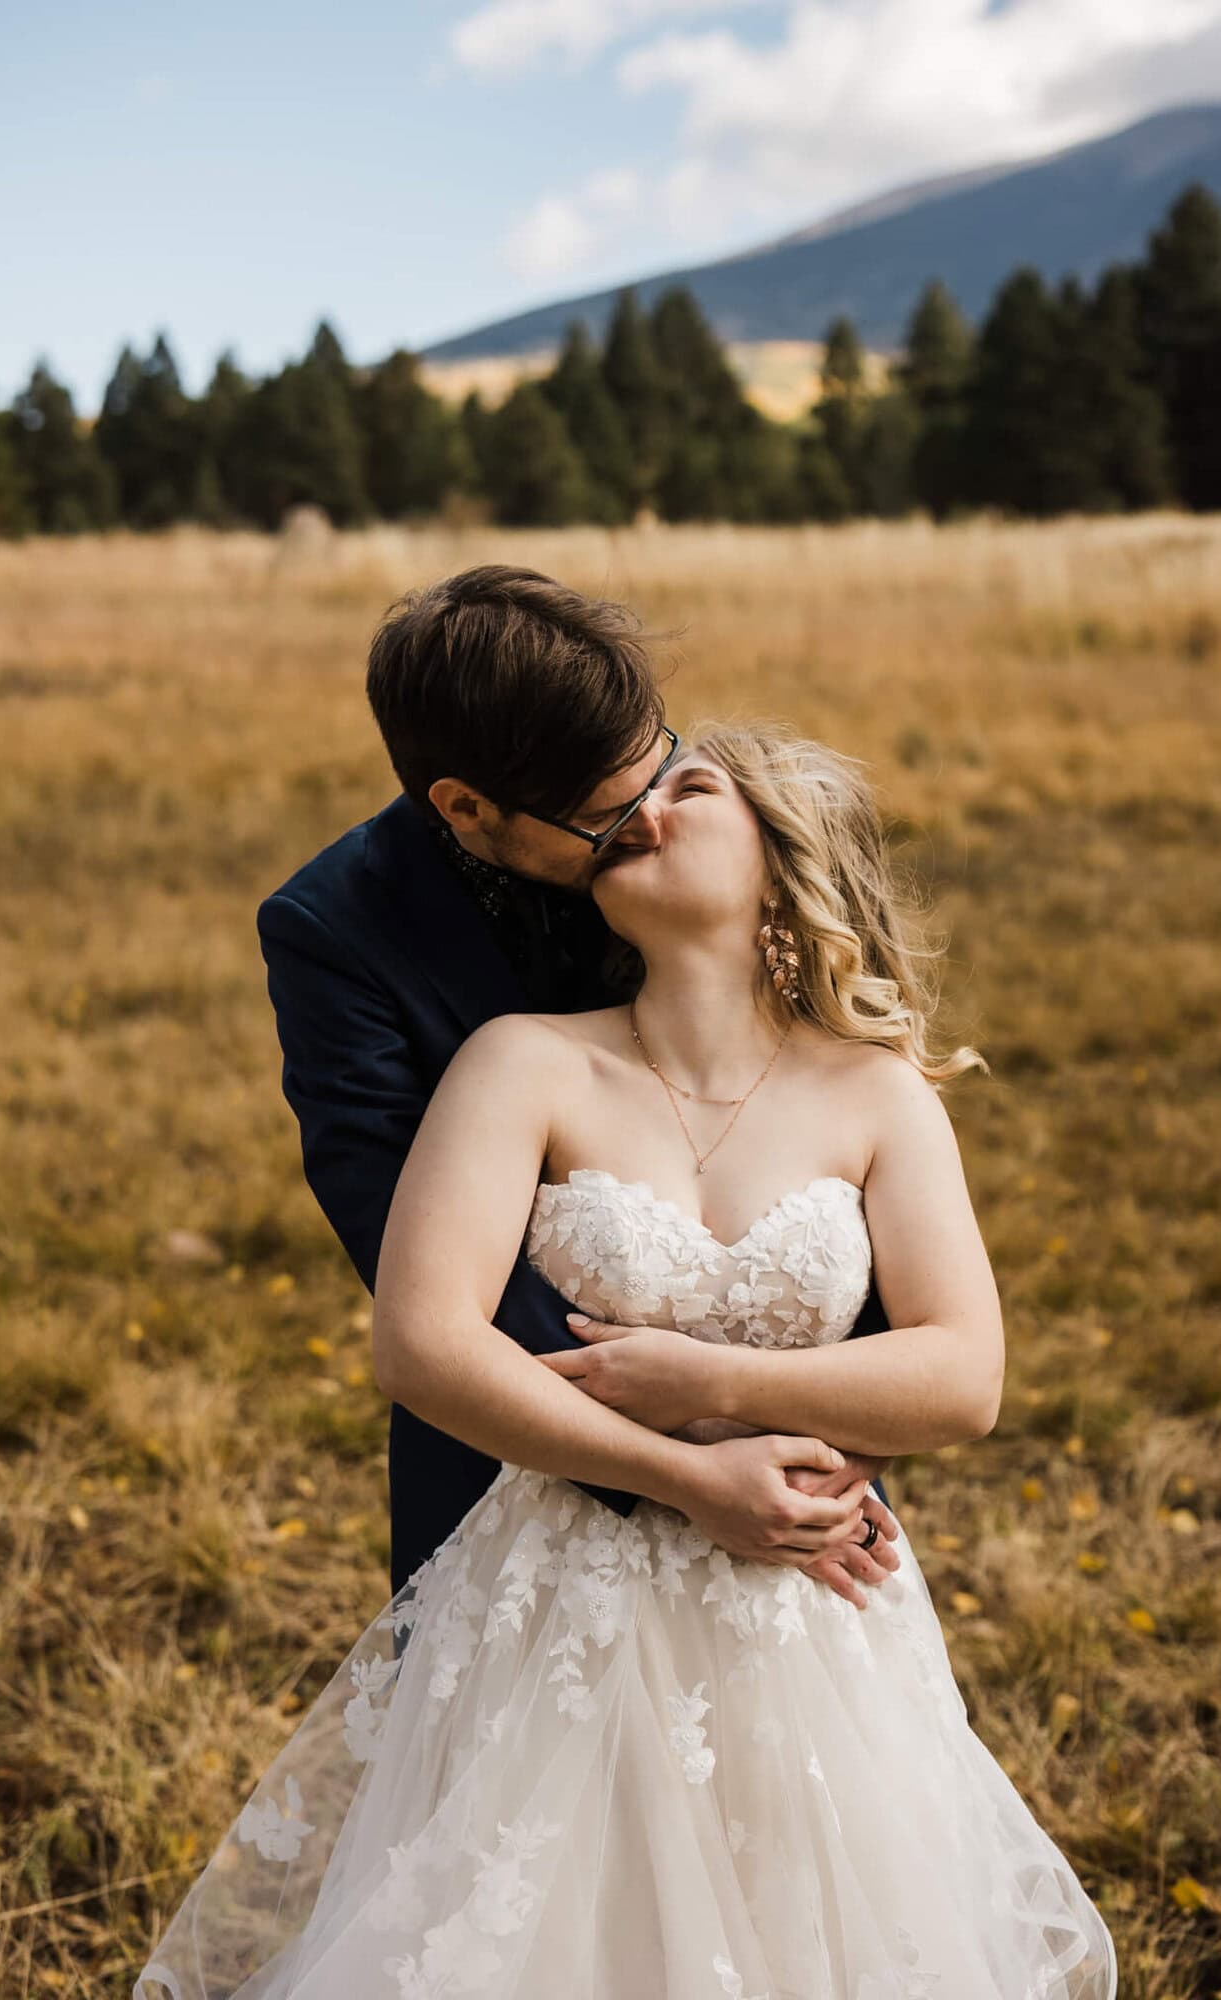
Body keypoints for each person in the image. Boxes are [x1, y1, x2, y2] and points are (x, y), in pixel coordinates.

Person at [135, 719, 1117, 1999]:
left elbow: (962, 1375)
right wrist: (684, 1469)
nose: (640, 809)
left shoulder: (879, 1097)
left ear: (782, 857)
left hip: (796, 1604)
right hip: (558, 1604)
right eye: (632, 798)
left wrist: (710, 1384)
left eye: (689, 786)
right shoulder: (525, 1060)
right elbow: (423, 1342)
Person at [252, 565, 898, 1606]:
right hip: (523, 1481)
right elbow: (417, 1269)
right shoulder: (336, 933)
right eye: (608, 818)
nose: (652, 824)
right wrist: (692, 1463)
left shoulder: (679, 837)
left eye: (664, 770)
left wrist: (825, 1426)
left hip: (797, 1479)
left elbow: (831, 1141)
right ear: (465, 808)